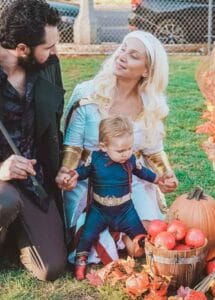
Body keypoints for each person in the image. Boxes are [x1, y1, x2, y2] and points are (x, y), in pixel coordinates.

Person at [56, 30, 178, 265]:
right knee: (90, 241)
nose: (121, 56)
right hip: (88, 182)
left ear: (146, 70)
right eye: (122, 49)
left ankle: (127, 237)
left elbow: (154, 150)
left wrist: (165, 174)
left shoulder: (150, 105)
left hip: (131, 181)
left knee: (150, 235)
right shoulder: (87, 93)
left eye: (133, 55)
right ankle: (114, 236)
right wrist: (66, 172)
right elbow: (72, 146)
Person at [0, 0, 66, 281]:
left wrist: (64, 167)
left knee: (52, 267)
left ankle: (14, 232)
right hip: (2, 184)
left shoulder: (49, 66)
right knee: (5, 200)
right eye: (48, 47)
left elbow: (54, 124)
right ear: (22, 49)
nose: (55, 52)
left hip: (35, 180)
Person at [57, 116, 167, 280]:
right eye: (120, 150)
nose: (126, 153)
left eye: (129, 148)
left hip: (125, 210)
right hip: (99, 209)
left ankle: (152, 259)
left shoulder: (130, 159)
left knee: (141, 235)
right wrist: (72, 175)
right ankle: (81, 262)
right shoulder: (95, 159)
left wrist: (158, 179)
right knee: (87, 235)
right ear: (103, 147)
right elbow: (83, 171)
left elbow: (142, 172)